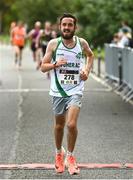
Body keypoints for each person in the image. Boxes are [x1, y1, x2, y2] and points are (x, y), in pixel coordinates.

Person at [41, 13, 94, 175]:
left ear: (75, 27)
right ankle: (59, 153)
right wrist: (55, 64)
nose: (67, 27)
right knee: (59, 126)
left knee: (71, 124)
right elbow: (43, 67)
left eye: (70, 25)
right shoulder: (53, 44)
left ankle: (70, 156)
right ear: (60, 27)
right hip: (58, 90)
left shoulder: (81, 43)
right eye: (64, 25)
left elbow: (90, 56)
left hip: (76, 89)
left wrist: (86, 70)